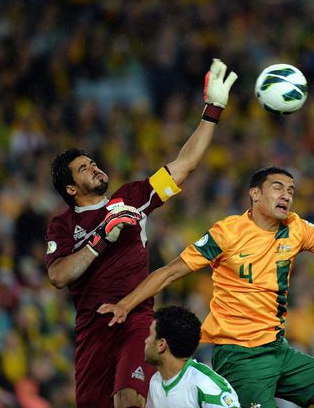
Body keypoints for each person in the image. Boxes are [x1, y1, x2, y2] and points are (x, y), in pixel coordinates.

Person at [99, 166, 314, 408]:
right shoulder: (228, 232)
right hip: (239, 357)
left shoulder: (297, 228)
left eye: (291, 190)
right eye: (278, 187)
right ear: (255, 194)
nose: (286, 195)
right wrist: (125, 304)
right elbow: (170, 272)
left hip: (278, 350)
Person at [44, 59, 238, 408]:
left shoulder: (131, 198)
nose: (94, 167)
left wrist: (213, 109)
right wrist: (101, 238)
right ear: (71, 189)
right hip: (92, 329)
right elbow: (59, 276)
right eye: (83, 169)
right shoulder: (62, 224)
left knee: (129, 397)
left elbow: (185, 165)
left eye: (92, 162)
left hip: (137, 319)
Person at [144, 305, 240, 408]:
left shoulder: (206, 386)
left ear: (161, 345)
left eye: (149, 335)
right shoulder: (155, 382)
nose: (145, 340)